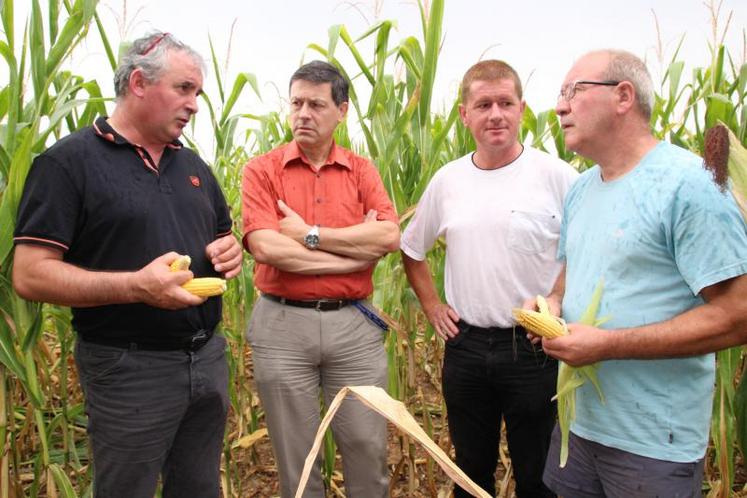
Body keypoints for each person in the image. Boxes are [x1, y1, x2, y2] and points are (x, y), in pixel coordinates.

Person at [12, 32, 242, 498]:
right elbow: (30, 273)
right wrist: (136, 286)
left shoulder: (193, 166)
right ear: (138, 82)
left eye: (197, 92)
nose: (194, 104)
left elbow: (223, 235)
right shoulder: (67, 164)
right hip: (128, 366)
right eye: (184, 89)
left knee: (198, 489)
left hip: (206, 357)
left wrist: (229, 250)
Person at [532, 49, 747, 497]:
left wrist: (606, 345)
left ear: (623, 96)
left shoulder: (691, 185)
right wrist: (552, 306)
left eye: (574, 91)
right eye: (560, 93)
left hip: (652, 446)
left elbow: (737, 314)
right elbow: (573, 271)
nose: (559, 106)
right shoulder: (582, 189)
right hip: (578, 426)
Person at [400, 60, 578, 498]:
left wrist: (556, 296)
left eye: (505, 103)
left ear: (522, 109)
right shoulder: (447, 181)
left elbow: (586, 246)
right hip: (467, 347)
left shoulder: (557, 176)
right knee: (471, 472)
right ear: (465, 115)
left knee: (538, 475)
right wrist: (432, 306)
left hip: (534, 348)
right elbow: (411, 248)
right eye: (483, 104)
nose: (495, 114)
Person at [241, 60, 399, 498]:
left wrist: (308, 235)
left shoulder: (362, 171)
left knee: (367, 445)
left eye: (315, 104)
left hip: (354, 327)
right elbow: (266, 248)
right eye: (296, 103)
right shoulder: (262, 170)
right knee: (298, 455)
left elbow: (388, 235)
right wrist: (351, 259)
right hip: (281, 326)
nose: (303, 114)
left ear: (341, 111)